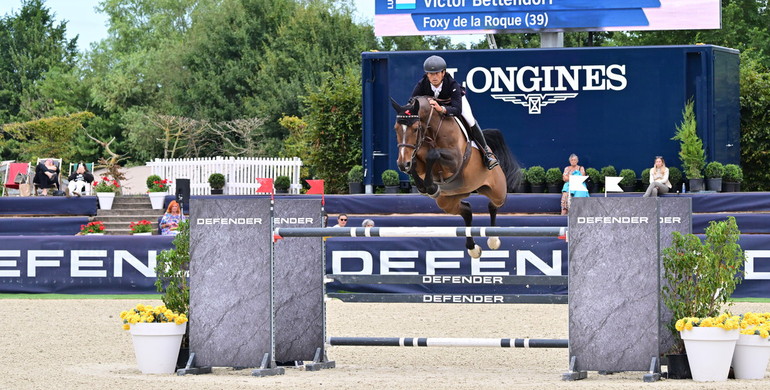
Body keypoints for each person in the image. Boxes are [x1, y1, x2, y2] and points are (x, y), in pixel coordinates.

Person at [411, 55, 498, 170]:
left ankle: (487, 153)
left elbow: (457, 110)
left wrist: (442, 109)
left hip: (455, 103)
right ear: (427, 74)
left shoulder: (452, 85)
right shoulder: (422, 84)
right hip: (436, 106)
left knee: (470, 120)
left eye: (437, 73)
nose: (434, 77)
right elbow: (412, 101)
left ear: (443, 73)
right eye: (431, 74)